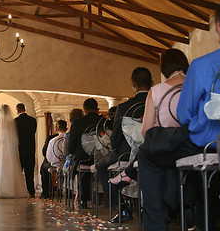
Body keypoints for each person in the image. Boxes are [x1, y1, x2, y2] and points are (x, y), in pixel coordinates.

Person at [137, 0, 220, 231]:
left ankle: (157, 226)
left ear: (218, 28)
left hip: (206, 146)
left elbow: (184, 115)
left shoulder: (200, 65)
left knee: (147, 154)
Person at [109, 48, 189, 187]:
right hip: (197, 142)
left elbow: (146, 131)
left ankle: (129, 179)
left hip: (165, 146)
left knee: (148, 146)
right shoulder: (196, 84)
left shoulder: (156, 91)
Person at [95, 67, 152, 222]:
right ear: (152, 83)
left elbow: (116, 138)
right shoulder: (157, 101)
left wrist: (115, 146)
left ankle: (122, 208)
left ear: (133, 84)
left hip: (125, 154)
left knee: (100, 166)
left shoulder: (124, 107)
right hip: (154, 150)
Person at [67, 98, 102, 208]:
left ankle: (83, 198)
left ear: (84, 110)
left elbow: (71, 147)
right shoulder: (105, 121)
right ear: (97, 109)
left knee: (82, 165)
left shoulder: (77, 123)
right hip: (102, 157)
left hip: (84, 159)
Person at [15, 103, 37, 198]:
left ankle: (18, 190)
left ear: (17, 110)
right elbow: (33, 132)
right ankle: (31, 191)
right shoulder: (33, 120)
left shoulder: (15, 121)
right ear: (25, 109)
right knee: (29, 171)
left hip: (19, 150)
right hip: (30, 149)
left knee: (18, 171)